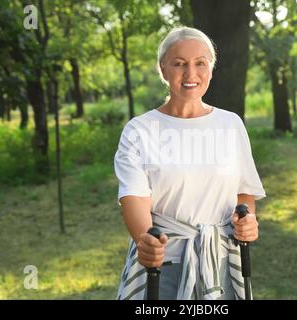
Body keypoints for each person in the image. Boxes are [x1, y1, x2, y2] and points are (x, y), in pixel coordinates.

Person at [114, 26, 266, 300]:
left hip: (221, 261)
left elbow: (244, 192)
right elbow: (133, 197)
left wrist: (249, 220)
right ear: (163, 69)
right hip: (163, 262)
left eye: (200, 63)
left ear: (211, 68)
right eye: (179, 64)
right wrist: (145, 239)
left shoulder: (230, 124)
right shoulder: (139, 130)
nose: (190, 74)